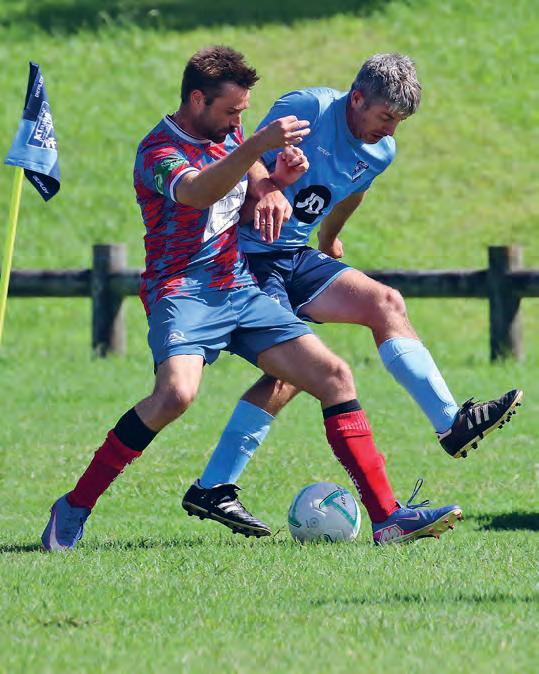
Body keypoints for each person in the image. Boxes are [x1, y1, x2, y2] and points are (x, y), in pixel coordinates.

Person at [41, 46, 462, 551]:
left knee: (334, 376)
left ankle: (387, 518)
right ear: (197, 100)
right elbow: (198, 192)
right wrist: (258, 146)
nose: (239, 121)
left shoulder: (230, 136)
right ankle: (73, 506)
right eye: (231, 112)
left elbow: (240, 199)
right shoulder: (158, 151)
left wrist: (277, 183)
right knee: (175, 396)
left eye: (243, 113)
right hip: (182, 290)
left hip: (237, 284)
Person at [181, 52, 522, 534]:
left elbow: (352, 190)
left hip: (293, 254)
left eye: (399, 122)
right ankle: (216, 486)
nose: (391, 131)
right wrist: (267, 187)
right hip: (245, 255)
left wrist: (329, 236)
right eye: (386, 117)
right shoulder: (310, 108)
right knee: (297, 372)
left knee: (386, 303)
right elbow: (244, 148)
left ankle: (452, 424)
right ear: (357, 98)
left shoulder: (381, 150)